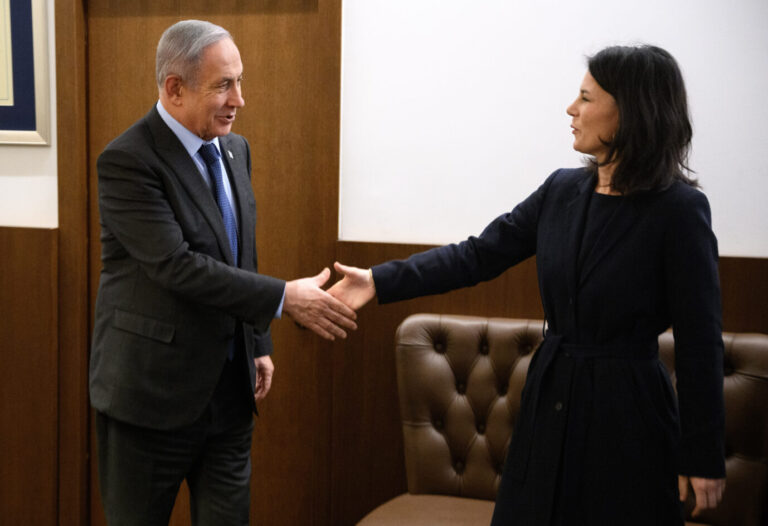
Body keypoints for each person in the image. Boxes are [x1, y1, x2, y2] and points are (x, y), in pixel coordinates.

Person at [329, 45, 725, 525]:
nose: (570, 109)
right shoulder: (561, 190)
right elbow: (476, 255)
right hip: (550, 400)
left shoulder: (678, 209)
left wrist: (702, 455)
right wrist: (378, 279)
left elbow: (700, 339)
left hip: (629, 414)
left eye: (585, 98)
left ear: (630, 112)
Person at [89, 20, 357, 525]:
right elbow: (177, 266)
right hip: (149, 400)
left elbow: (240, 252)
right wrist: (282, 299)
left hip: (229, 398)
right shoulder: (127, 161)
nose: (239, 98)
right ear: (174, 88)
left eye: (240, 80)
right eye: (223, 85)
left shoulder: (235, 149)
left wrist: (256, 343)